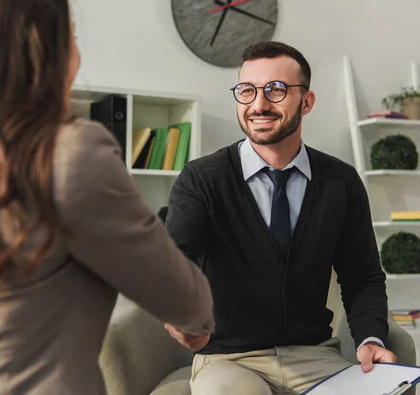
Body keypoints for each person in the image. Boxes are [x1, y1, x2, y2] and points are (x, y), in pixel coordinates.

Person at [0, 0, 213, 394]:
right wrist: (198, 322)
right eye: (71, 33)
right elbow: (182, 295)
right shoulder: (69, 153)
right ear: (41, 42)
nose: (77, 50)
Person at [164, 41, 396, 395]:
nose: (258, 105)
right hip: (229, 360)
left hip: (315, 355)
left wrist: (370, 337)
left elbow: (362, 276)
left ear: (307, 101)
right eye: (247, 91)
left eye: (276, 90)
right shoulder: (201, 179)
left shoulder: (341, 182)